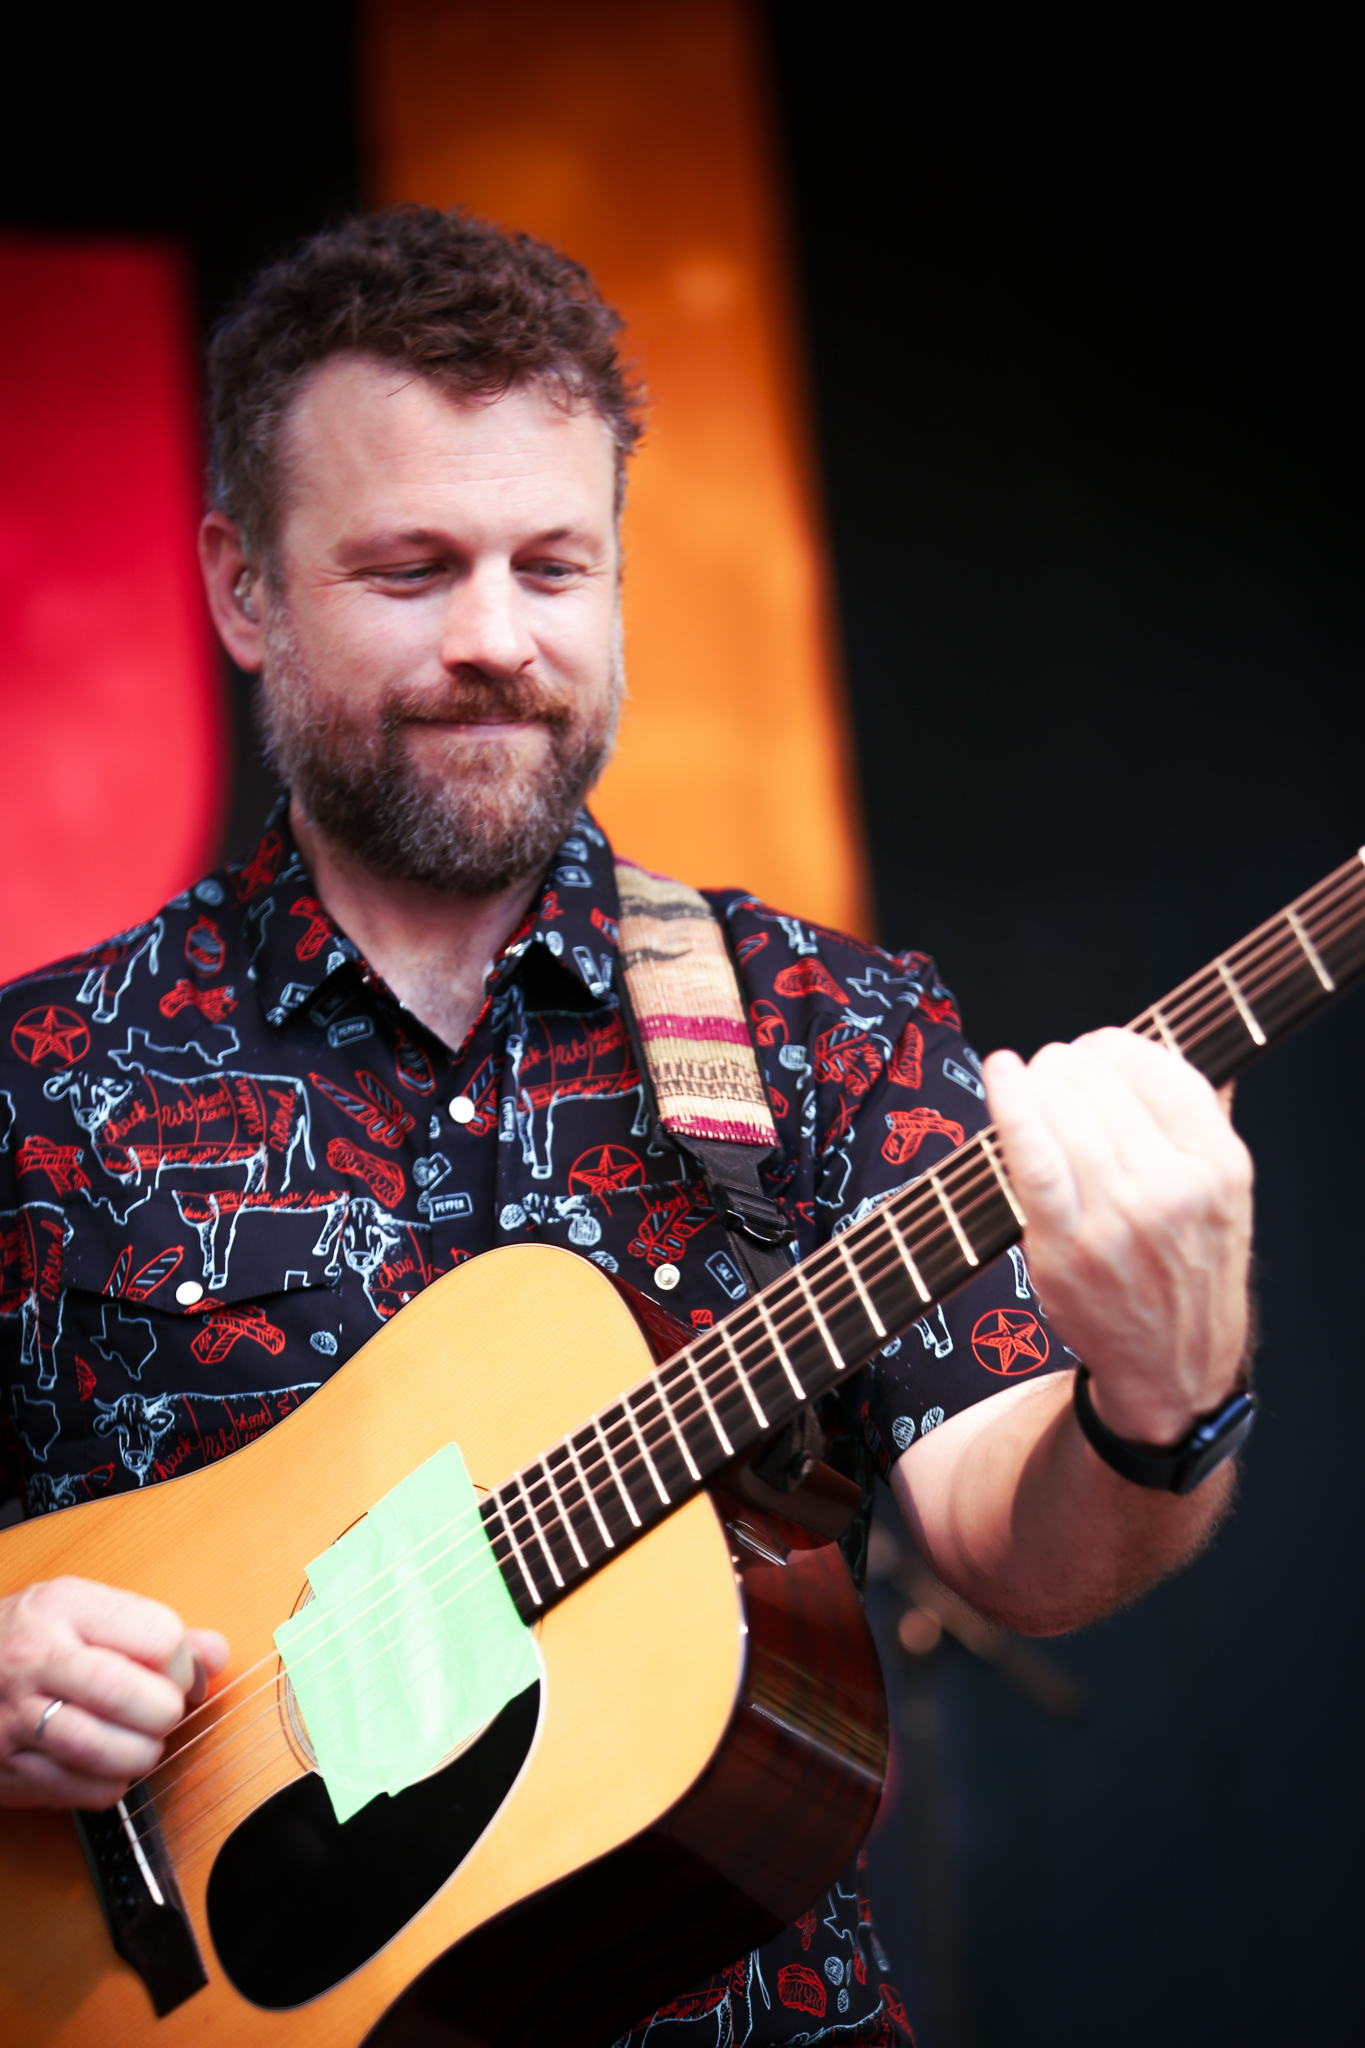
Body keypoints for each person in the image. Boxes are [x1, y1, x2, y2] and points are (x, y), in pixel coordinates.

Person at [0, 208, 1253, 2042]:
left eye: (552, 565)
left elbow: (1008, 1541)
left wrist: (1163, 1404)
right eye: (414, 569)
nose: (497, 640)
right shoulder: (43, 1084)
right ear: (243, 586)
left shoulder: (820, 1025)